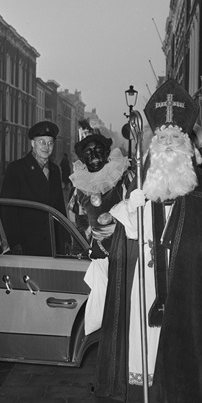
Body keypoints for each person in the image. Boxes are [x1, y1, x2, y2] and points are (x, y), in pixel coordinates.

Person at [95, 79, 202, 403]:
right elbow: (120, 234)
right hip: (144, 291)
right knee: (143, 365)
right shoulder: (141, 183)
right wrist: (125, 214)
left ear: (190, 145)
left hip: (190, 291)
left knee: (184, 367)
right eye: (164, 138)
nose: (171, 143)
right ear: (153, 145)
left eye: (178, 137)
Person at [68, 120, 132, 334]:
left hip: (124, 253)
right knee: (102, 313)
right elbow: (78, 223)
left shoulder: (124, 179)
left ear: (106, 153)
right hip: (96, 259)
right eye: (88, 151)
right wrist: (80, 251)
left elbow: (138, 215)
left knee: (125, 311)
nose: (93, 154)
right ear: (82, 159)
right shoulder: (79, 188)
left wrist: (118, 229)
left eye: (98, 150)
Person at [0, 121, 66, 256]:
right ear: (32, 143)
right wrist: (15, 242)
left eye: (50, 143)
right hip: (27, 244)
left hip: (52, 245)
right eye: (42, 142)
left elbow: (59, 208)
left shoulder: (55, 170)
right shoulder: (16, 169)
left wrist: (64, 240)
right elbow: (7, 210)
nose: (46, 147)